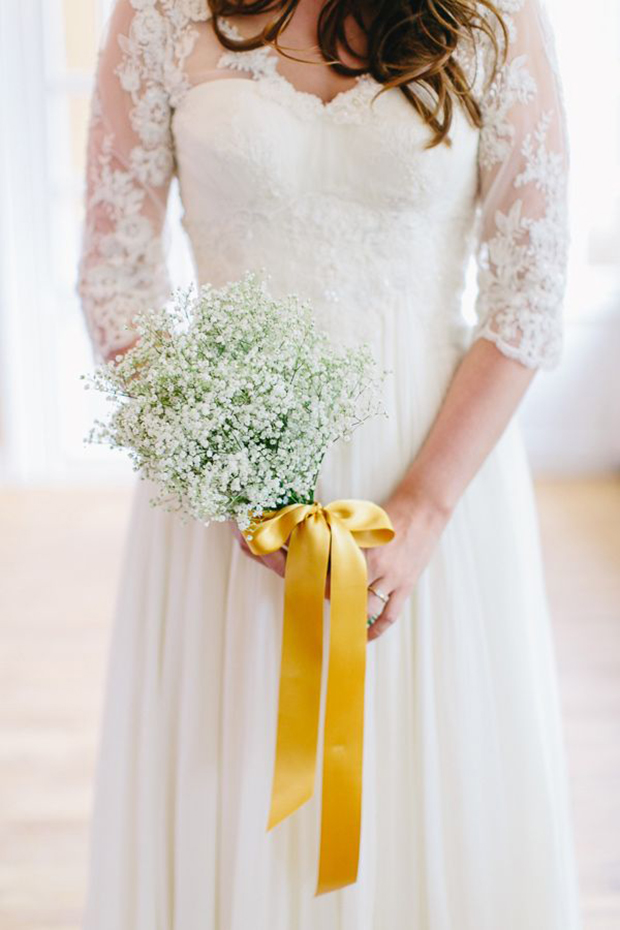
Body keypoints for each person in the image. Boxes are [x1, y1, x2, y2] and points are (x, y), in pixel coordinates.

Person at [77, 0, 582, 926]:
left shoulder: (495, 19)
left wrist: (424, 507)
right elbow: (116, 273)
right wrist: (229, 471)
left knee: (429, 770)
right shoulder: (155, 16)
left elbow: (532, 289)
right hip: (222, 485)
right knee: (227, 774)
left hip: (431, 474)